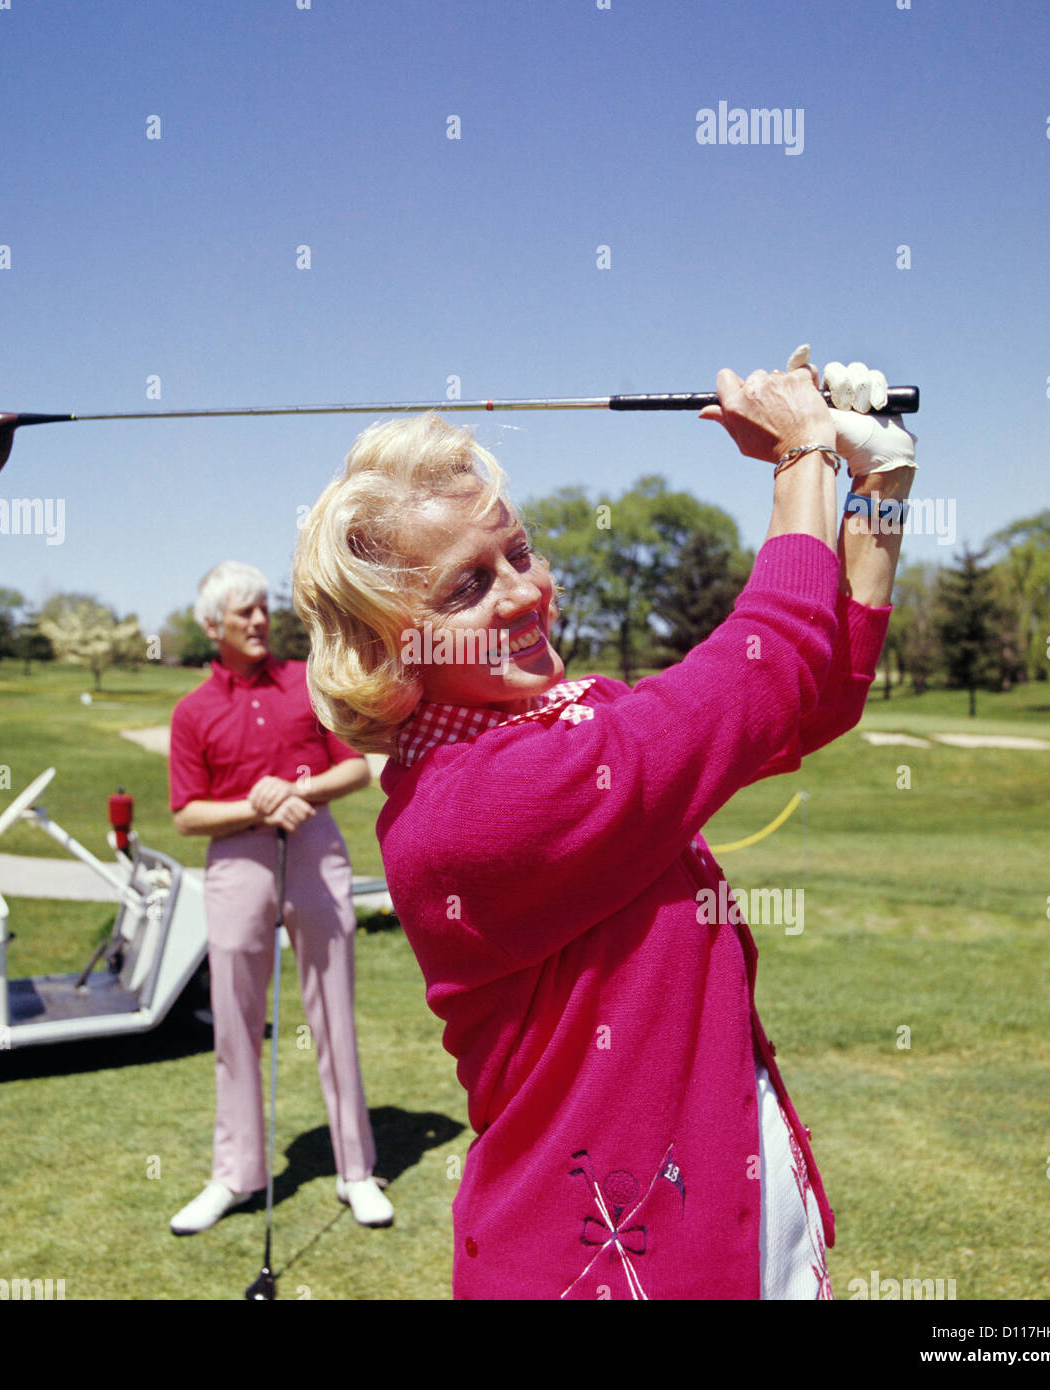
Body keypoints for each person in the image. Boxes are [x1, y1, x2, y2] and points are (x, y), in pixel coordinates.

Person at [291, 348, 917, 1298]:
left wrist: (878, 485)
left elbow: (810, 697)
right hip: (604, 1262)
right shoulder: (474, 809)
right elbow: (767, 664)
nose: (526, 590)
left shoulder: (578, 719)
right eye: (467, 587)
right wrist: (803, 461)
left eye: (521, 550)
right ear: (390, 648)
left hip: (729, 1207)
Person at [168, 561, 393, 1233]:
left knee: (333, 1009)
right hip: (237, 857)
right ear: (214, 627)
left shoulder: (307, 683)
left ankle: (357, 1172)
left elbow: (355, 767)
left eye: (264, 608)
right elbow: (186, 815)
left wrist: (297, 792)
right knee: (235, 1019)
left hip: (314, 846)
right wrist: (254, 802)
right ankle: (236, 1175)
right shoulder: (192, 711)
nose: (261, 620)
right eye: (244, 613)